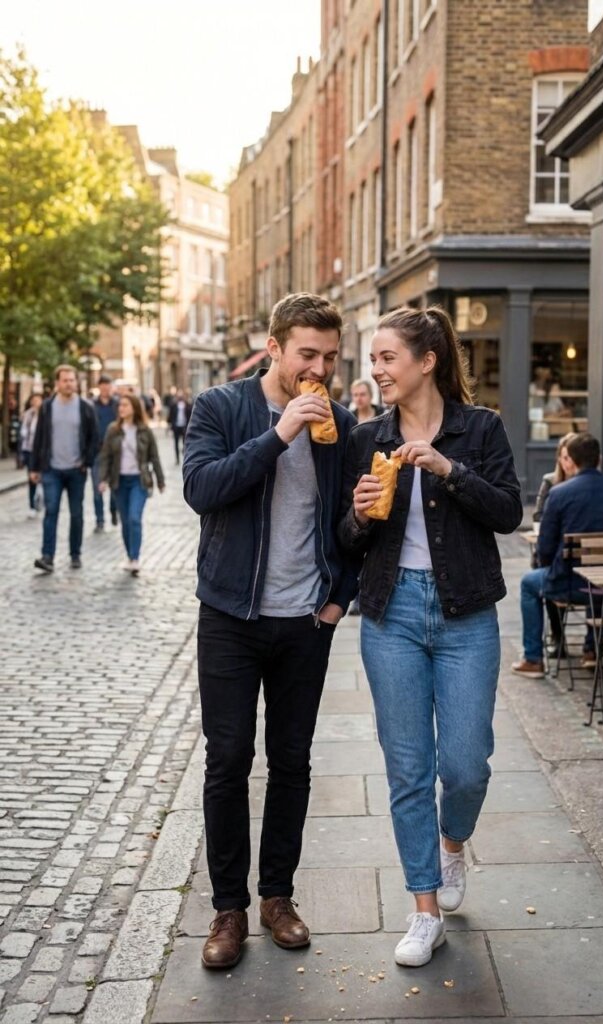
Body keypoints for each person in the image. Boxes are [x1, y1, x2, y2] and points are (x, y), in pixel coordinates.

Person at [339, 306, 522, 967]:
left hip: (465, 613)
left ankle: (452, 845)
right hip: (391, 614)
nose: (377, 370)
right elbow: (345, 539)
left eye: (387, 358)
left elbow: (509, 512)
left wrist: (450, 470)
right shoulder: (366, 437)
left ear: (426, 361)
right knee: (408, 770)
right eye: (374, 359)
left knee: (465, 766)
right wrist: (359, 516)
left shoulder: (481, 429)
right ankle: (424, 911)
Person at [182, 292, 358, 971]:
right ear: (275, 347)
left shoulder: (342, 425)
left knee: (291, 761)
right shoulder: (220, 407)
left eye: (330, 358)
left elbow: (350, 524)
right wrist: (279, 433)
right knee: (227, 759)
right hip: (230, 616)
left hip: (305, 621)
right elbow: (203, 490)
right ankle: (228, 908)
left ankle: (277, 897)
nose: (319, 369)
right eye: (307, 355)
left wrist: (338, 598)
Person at [511, 432, 603, 678]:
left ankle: (533, 658)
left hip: (571, 585)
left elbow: (545, 549)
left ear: (570, 460)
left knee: (529, 583)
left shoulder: (560, 493)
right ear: (599, 459)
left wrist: (550, 568)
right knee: (596, 579)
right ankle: (591, 650)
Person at [30, 365, 98, 573]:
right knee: (51, 511)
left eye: (72, 380)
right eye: (65, 380)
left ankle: (75, 554)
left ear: (76, 382)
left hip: (76, 470)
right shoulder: (47, 407)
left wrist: (86, 461)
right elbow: (39, 437)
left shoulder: (85, 407)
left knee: (76, 514)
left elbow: (94, 438)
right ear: (57, 383)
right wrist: (34, 467)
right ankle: (47, 556)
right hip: (52, 469)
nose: (69, 384)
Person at [98, 394, 165, 575]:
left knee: (134, 518)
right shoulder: (113, 429)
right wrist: (102, 479)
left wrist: (160, 480)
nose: (121, 408)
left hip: (139, 480)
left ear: (134, 408)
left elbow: (154, 457)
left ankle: (135, 558)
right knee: (126, 521)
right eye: (120, 405)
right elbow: (105, 456)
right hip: (119, 481)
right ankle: (129, 555)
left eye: (125, 405)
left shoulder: (145, 430)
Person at [532, 432, 577, 657]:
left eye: (571, 457)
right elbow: (538, 515)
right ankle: (557, 636)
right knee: (546, 566)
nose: (568, 462)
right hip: (556, 553)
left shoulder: (584, 485)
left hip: (579, 556)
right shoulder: (550, 481)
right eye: (564, 457)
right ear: (559, 458)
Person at [90, 374, 119, 532]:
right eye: (103, 385)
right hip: (97, 452)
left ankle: (114, 510)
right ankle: (99, 520)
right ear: (99, 387)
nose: (105, 388)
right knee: (97, 488)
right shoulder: (92, 406)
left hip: (114, 452)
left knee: (115, 487)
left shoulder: (117, 405)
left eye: (108, 385)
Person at [20, 393, 43, 517]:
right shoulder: (28, 415)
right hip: (30, 451)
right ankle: (32, 506)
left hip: (42, 452)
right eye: (34, 400)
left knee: (43, 478)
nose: (36, 402)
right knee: (31, 478)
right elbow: (23, 433)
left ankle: (40, 499)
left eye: (38, 400)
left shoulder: (46, 414)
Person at [168, 388, 193, 464]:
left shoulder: (187, 404)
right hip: (176, 426)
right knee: (176, 443)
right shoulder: (174, 404)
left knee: (185, 444)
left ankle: (185, 458)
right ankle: (177, 459)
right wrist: (171, 425)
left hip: (184, 426)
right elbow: (171, 415)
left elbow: (190, 414)